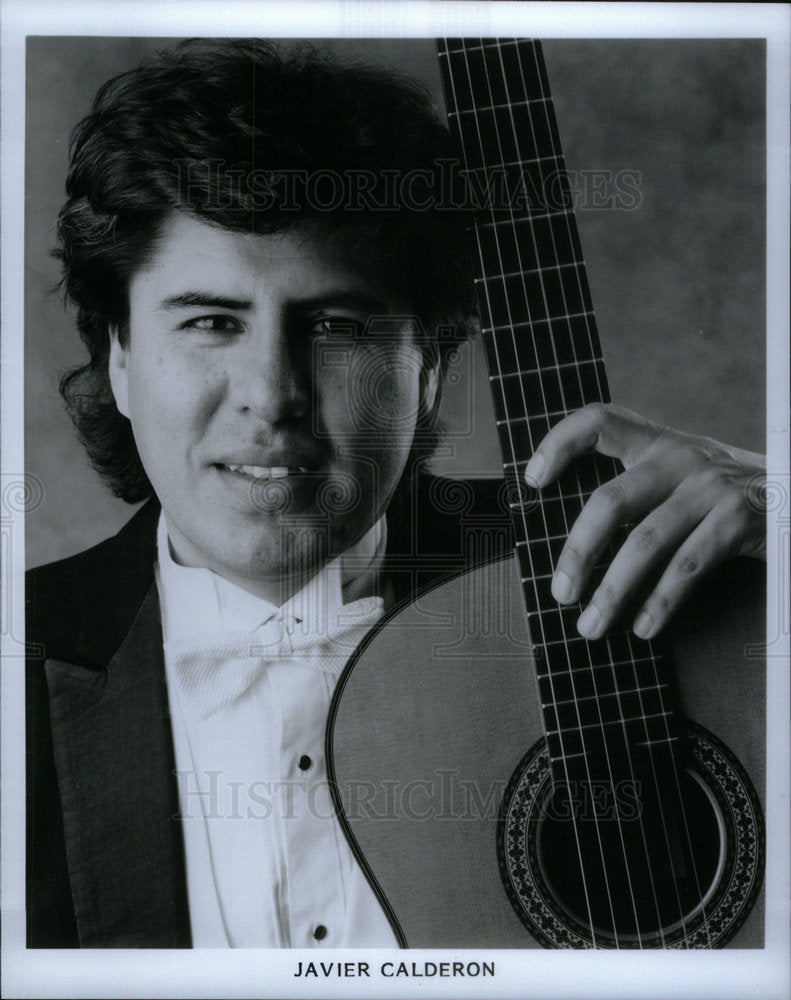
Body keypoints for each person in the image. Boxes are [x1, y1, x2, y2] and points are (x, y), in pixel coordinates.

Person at [26, 38, 766, 949]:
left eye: (335, 325)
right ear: (123, 360)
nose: (273, 393)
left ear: (428, 369)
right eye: (212, 322)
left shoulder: (624, 573)